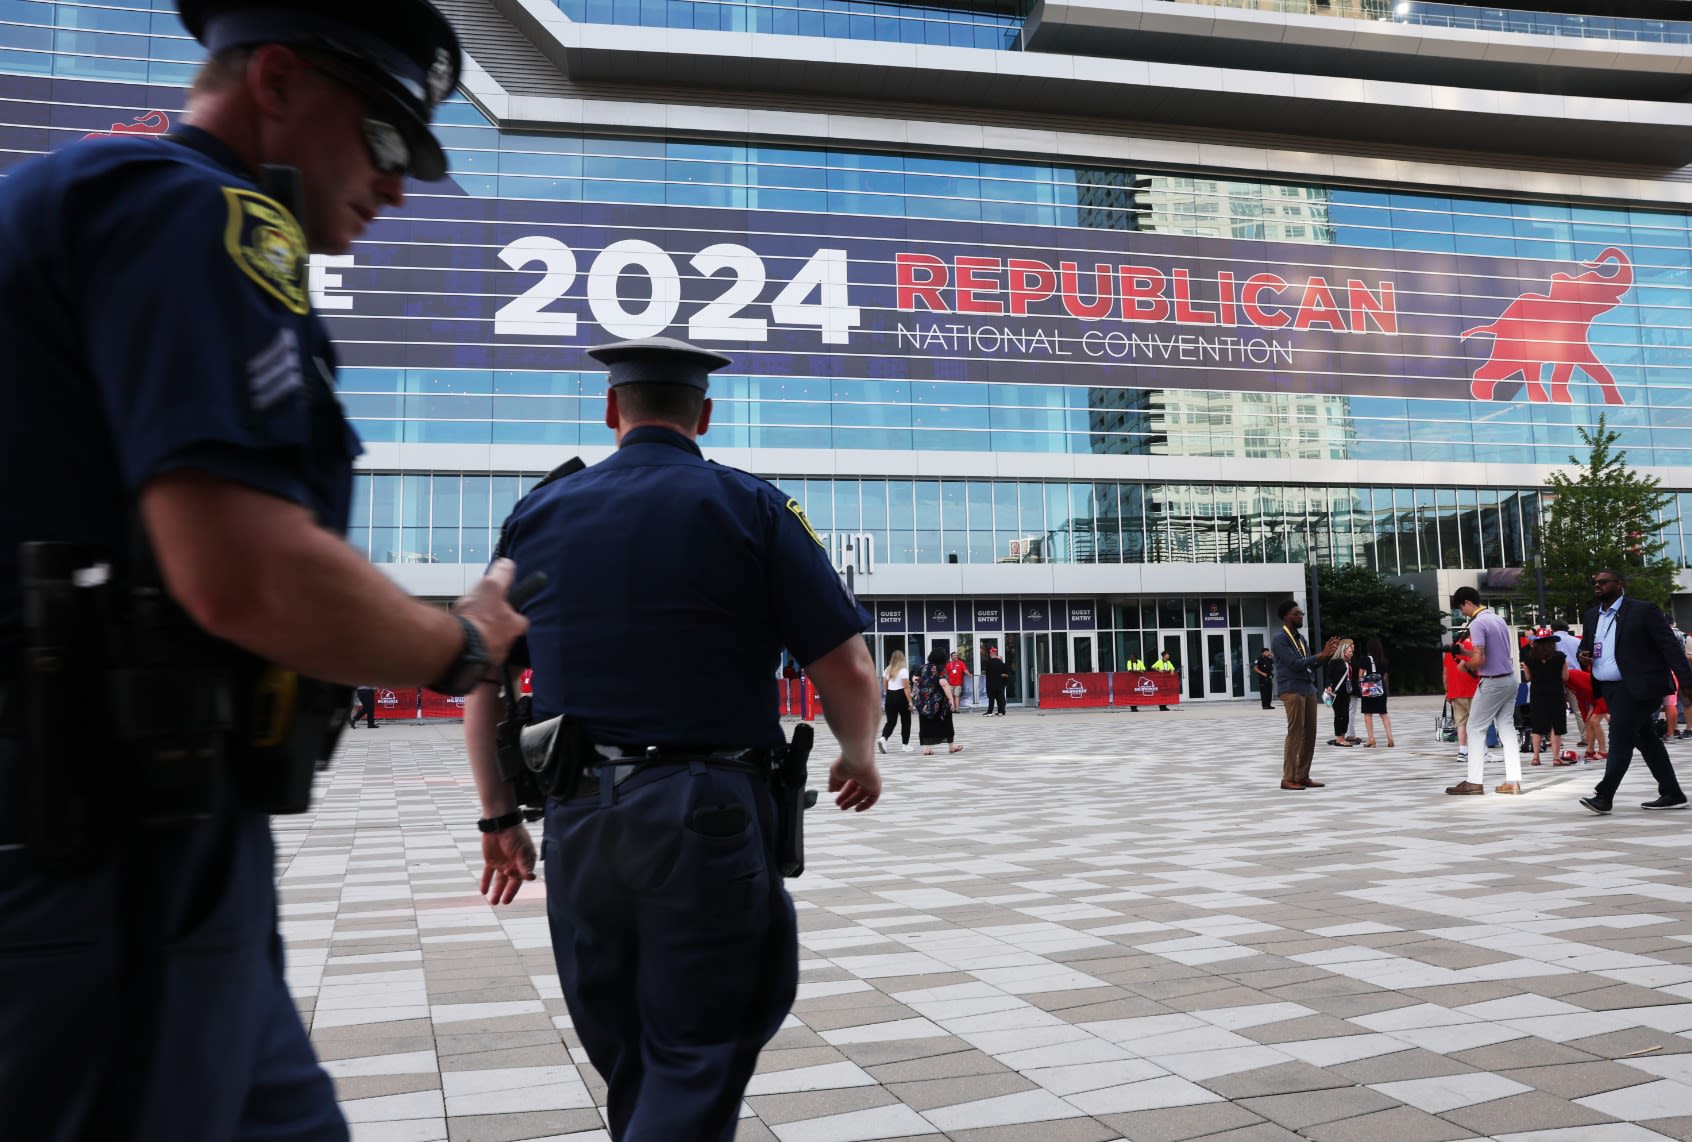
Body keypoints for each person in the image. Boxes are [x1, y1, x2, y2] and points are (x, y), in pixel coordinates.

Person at [0, 4, 534, 1139]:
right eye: (388, 140)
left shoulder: (82, 205)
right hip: (99, 847)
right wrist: (465, 641)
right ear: (279, 82)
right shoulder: (194, 214)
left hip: (152, 838)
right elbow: (244, 575)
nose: (398, 186)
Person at [461, 336, 882, 1141]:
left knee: (633, 1059)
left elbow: (481, 675)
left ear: (613, 409)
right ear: (706, 416)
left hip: (580, 821)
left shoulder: (538, 514)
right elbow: (851, 669)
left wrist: (496, 818)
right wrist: (858, 754)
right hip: (707, 817)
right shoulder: (749, 505)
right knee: (696, 1054)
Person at [1578, 568, 1692, 814]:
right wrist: (1582, 657)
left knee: (1620, 737)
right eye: (1594, 582)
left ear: (1619, 584)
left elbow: (1670, 647)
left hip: (1640, 687)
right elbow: (1585, 648)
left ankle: (1604, 795)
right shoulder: (1591, 616)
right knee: (1646, 740)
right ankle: (1672, 792)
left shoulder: (1643, 610)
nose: (1597, 586)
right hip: (1609, 689)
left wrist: (1687, 682)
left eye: (1603, 582)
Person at [1447, 587, 1523, 795]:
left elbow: (1480, 658)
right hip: (1509, 679)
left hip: (1492, 682)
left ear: (1467, 603)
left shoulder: (1478, 622)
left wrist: (1466, 664)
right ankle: (1513, 780)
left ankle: (1474, 781)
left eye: (1461, 608)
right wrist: (1464, 652)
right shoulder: (1497, 619)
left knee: (1474, 728)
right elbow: (1489, 652)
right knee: (1506, 729)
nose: (1462, 613)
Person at [1272, 600, 1341, 791]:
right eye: (1297, 613)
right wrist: (1320, 655)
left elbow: (1310, 664)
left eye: (1301, 613)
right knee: (1295, 733)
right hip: (1292, 690)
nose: (1301, 616)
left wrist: (1326, 655)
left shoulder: (1300, 639)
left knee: (1310, 734)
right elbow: (1294, 664)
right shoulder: (1280, 639)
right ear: (1286, 616)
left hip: (1307, 689)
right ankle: (1288, 778)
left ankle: (1302, 776)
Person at [1523, 627, 1572, 766]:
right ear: (1551, 642)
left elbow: (1528, 677)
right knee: (1556, 725)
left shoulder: (1529, 658)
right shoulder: (1560, 657)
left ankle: (1536, 757)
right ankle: (1556, 758)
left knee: (1537, 725)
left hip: (1537, 693)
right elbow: (1565, 677)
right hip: (1556, 692)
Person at [914, 646, 963, 755]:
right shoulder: (940, 669)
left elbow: (914, 678)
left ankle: (927, 749)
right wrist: (951, 699)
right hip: (939, 702)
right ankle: (951, 746)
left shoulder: (923, 667)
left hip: (923, 701)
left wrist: (923, 683)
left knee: (925, 724)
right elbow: (944, 684)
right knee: (946, 722)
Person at [1444, 630, 1480, 763]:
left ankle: (1463, 751)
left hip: (1454, 691)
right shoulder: (1468, 648)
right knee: (1477, 723)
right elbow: (1477, 666)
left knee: (1461, 723)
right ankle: (1483, 751)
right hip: (1471, 690)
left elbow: (1445, 673)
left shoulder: (1448, 652)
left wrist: (1447, 690)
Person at [1357, 637, 1395, 748]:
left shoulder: (1364, 660)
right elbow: (1385, 676)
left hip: (1368, 689)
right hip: (1381, 689)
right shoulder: (1384, 661)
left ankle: (1371, 739)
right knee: (1384, 714)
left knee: (1368, 714)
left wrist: (1360, 686)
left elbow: (1360, 675)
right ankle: (1390, 738)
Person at [880, 649, 913, 752]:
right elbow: (906, 687)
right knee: (906, 721)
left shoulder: (887, 670)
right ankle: (905, 745)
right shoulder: (903, 671)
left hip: (890, 696)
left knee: (890, 721)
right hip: (901, 696)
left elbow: (885, 685)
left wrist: (889, 695)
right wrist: (910, 702)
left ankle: (883, 738)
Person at [1325, 639, 1355, 747]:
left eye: (1352, 651)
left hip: (1346, 693)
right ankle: (1339, 738)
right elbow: (1328, 675)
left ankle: (1343, 736)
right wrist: (1328, 686)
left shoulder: (1347, 663)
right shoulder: (1335, 662)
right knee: (1339, 715)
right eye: (1350, 651)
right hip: (1336, 692)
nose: (1351, 653)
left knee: (1346, 715)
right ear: (1343, 651)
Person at [983, 645, 1010, 716]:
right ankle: (1001, 711)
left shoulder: (988, 662)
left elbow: (984, 672)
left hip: (991, 683)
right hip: (1000, 684)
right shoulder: (1001, 663)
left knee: (991, 698)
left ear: (991, 653)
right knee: (1000, 698)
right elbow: (1005, 673)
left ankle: (990, 712)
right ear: (996, 653)